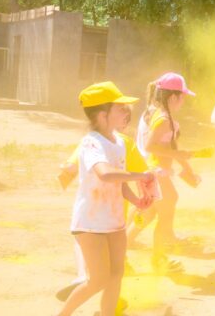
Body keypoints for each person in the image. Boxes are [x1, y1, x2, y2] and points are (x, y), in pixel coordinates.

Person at [58, 82, 154, 316]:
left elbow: (118, 184)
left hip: (114, 221)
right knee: (98, 279)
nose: (126, 112)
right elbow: (106, 174)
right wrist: (142, 175)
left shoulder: (119, 142)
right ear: (102, 115)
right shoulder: (91, 142)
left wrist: (136, 200)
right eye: (120, 108)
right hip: (90, 223)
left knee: (116, 275)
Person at [131, 72, 200, 273]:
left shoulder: (154, 112)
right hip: (156, 172)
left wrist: (184, 162)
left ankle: (124, 245)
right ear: (173, 97)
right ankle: (158, 259)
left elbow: (159, 145)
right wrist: (180, 154)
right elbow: (151, 146)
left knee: (150, 212)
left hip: (150, 170)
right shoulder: (163, 119)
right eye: (182, 97)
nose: (183, 101)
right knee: (167, 210)